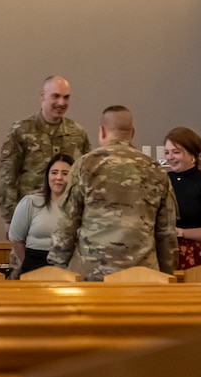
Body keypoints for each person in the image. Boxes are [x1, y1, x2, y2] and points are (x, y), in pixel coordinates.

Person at [49, 105, 177, 281]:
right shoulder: (155, 170)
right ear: (132, 132)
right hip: (142, 275)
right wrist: (165, 275)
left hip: (92, 273)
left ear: (102, 131)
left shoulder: (85, 165)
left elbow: (67, 225)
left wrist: (58, 268)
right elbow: (166, 233)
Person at [0, 75, 92, 223]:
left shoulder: (77, 133)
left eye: (66, 97)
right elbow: (8, 178)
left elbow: (86, 177)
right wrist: (10, 219)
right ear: (43, 96)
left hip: (67, 217)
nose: (61, 103)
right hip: (31, 215)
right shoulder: (21, 131)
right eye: (56, 96)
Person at [161, 127, 201, 269]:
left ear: (193, 155)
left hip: (197, 259)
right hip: (166, 255)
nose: (170, 157)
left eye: (176, 152)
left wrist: (182, 233)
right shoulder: (162, 182)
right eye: (167, 152)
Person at [7, 153, 72, 275]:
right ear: (47, 175)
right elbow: (17, 240)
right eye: (54, 172)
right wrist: (29, 265)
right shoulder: (30, 202)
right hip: (34, 265)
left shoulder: (79, 206)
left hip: (68, 268)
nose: (59, 177)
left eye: (65, 173)